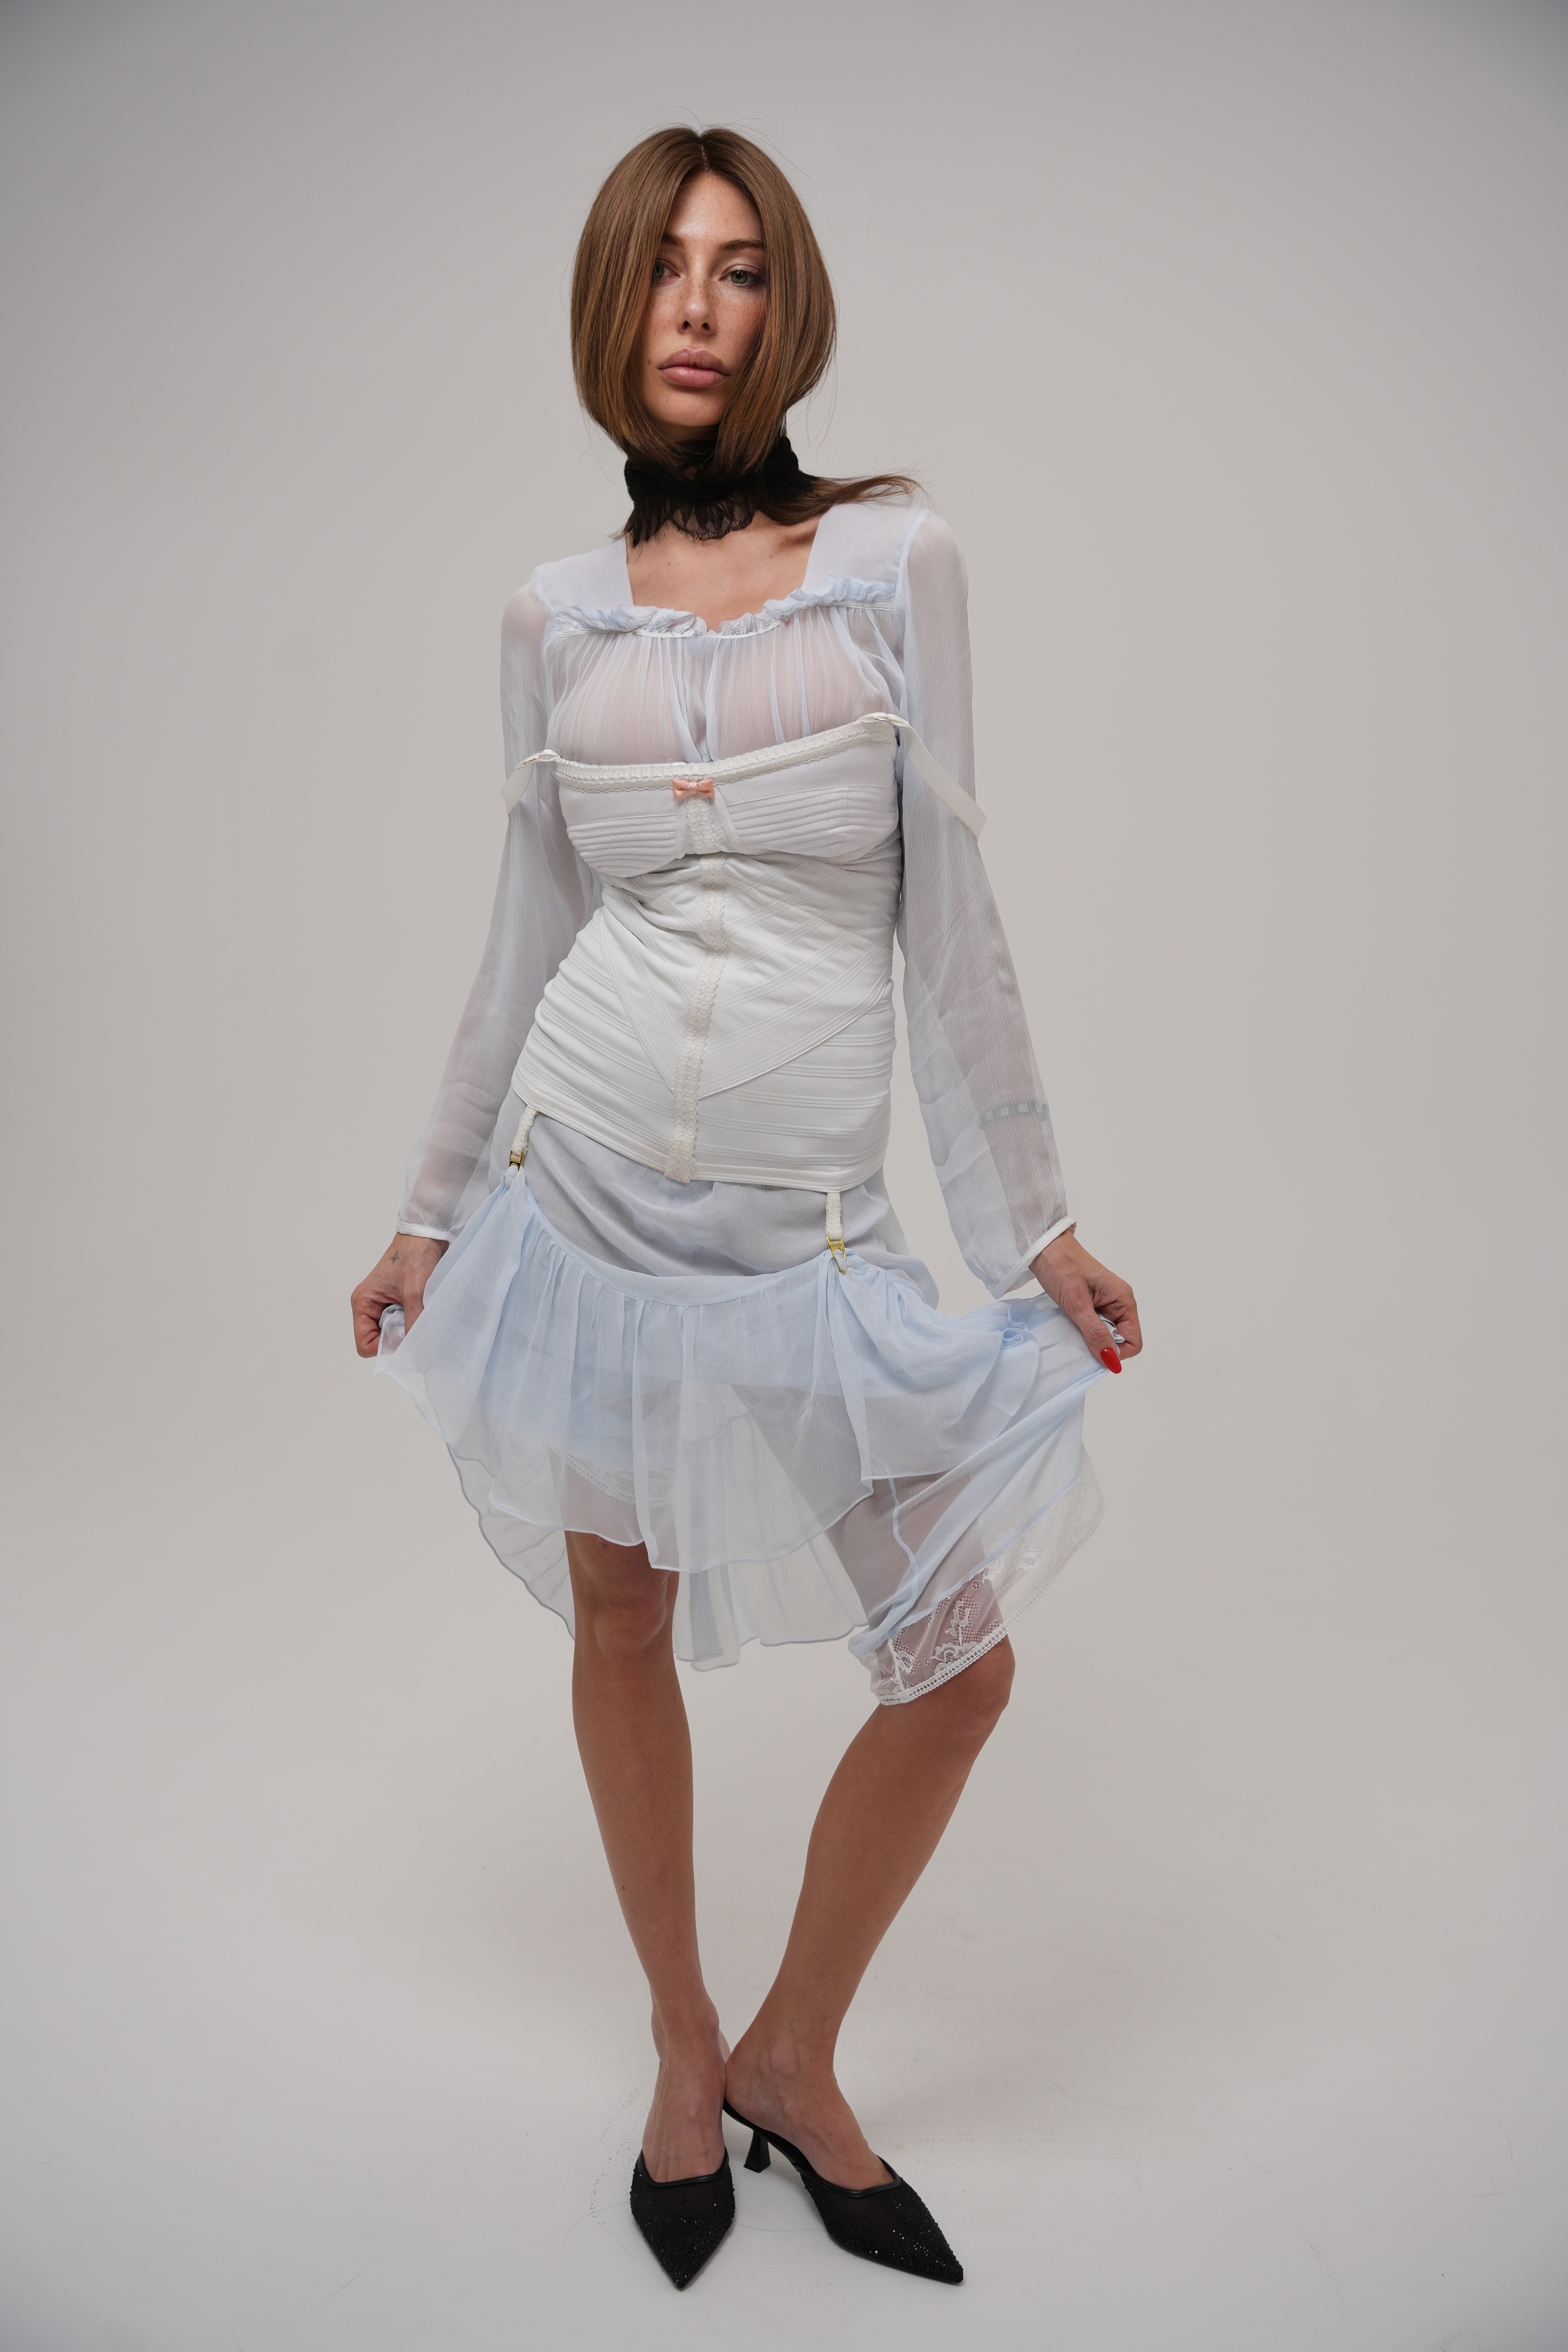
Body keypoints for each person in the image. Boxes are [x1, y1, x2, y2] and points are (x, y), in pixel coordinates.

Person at [351, 125, 1141, 2291]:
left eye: (740, 270)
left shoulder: (894, 567)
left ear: (786, 306)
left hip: (807, 1240)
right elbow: (524, 928)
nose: (699, 309)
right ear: (611, 308)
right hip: (583, 1213)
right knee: (620, 1622)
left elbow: (949, 917)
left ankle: (797, 2049)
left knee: (956, 1671)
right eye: (662, 269)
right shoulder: (552, 614)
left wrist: (1033, 1227)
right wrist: (429, 1215)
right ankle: (687, 2047)